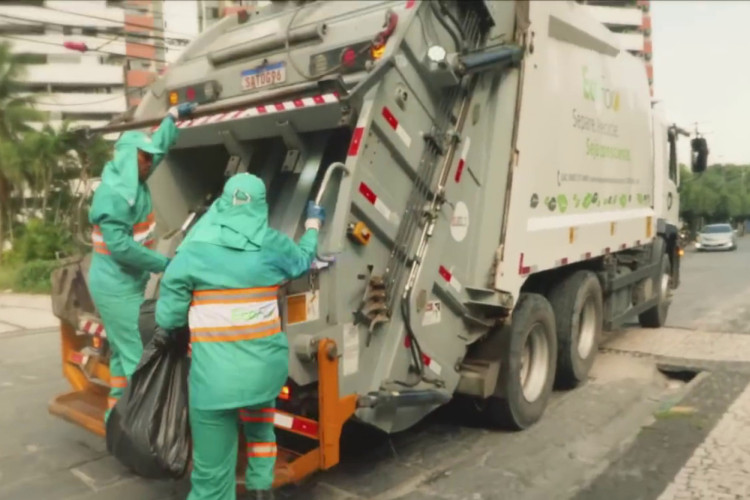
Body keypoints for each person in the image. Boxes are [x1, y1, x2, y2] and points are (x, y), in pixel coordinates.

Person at [155, 173, 325, 500]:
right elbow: (303, 262)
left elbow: (168, 318)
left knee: (212, 474)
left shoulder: (193, 251)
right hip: (263, 373)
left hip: (214, 382)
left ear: (223, 204)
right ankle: (262, 491)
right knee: (260, 430)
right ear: (261, 206)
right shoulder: (274, 245)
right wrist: (313, 225)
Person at [89, 102, 195, 420]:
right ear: (128, 160)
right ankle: (148, 426)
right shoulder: (112, 196)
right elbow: (121, 247)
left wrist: (172, 118)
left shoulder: (135, 176)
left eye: (149, 158)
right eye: (143, 158)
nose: (149, 163)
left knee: (122, 357)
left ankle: (117, 422)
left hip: (128, 285)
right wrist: (166, 264)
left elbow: (158, 148)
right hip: (114, 289)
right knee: (138, 356)